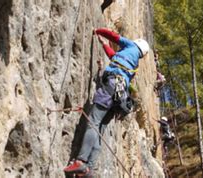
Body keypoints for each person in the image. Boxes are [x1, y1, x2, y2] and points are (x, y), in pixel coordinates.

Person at [63, 28, 150, 175]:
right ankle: (88, 169)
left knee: (93, 122)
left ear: (137, 44)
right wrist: (103, 44)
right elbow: (114, 57)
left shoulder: (130, 46)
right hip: (120, 97)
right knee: (100, 130)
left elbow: (114, 36)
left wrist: (97, 30)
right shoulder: (134, 63)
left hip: (111, 87)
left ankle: (81, 161)